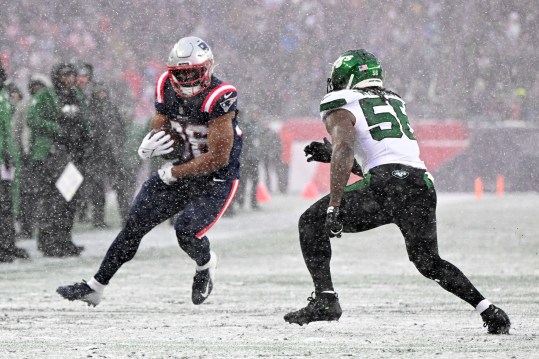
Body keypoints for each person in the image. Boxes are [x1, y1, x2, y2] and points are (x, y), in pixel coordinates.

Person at [283, 49, 511, 335]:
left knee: (310, 222)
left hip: (385, 186)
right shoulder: (393, 100)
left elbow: (347, 147)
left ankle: (326, 300)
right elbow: (386, 164)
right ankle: (489, 310)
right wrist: (334, 156)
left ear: (348, 78)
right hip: (420, 184)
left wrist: (335, 203)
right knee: (429, 261)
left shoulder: (340, 101)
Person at [57, 36, 242, 307]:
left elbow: (217, 157)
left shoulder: (220, 96)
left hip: (216, 177)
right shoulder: (166, 85)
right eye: (182, 73)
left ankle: (205, 265)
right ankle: (95, 287)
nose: (188, 79)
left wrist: (175, 171)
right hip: (182, 169)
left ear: (208, 68)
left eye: (193, 72)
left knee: (186, 230)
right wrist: (153, 144)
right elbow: (164, 129)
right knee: (134, 225)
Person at [27, 62, 89, 257]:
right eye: (65, 75)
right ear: (56, 77)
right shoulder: (45, 96)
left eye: (71, 75)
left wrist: (87, 136)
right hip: (52, 153)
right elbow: (33, 119)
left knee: (69, 198)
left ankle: (64, 239)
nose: (69, 79)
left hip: (73, 153)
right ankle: (48, 242)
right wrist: (57, 129)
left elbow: (84, 120)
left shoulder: (77, 95)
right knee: (52, 199)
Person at [12, 74, 52, 238]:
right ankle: (27, 226)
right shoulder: (24, 105)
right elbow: (16, 130)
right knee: (27, 193)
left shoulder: (49, 105)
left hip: (45, 155)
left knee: (42, 193)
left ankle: (41, 226)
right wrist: (19, 151)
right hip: (28, 155)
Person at [0, 64, 29, 262]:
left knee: (7, 203)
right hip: (3, 157)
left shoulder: (3, 96)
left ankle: (7, 243)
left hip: (6, 159)